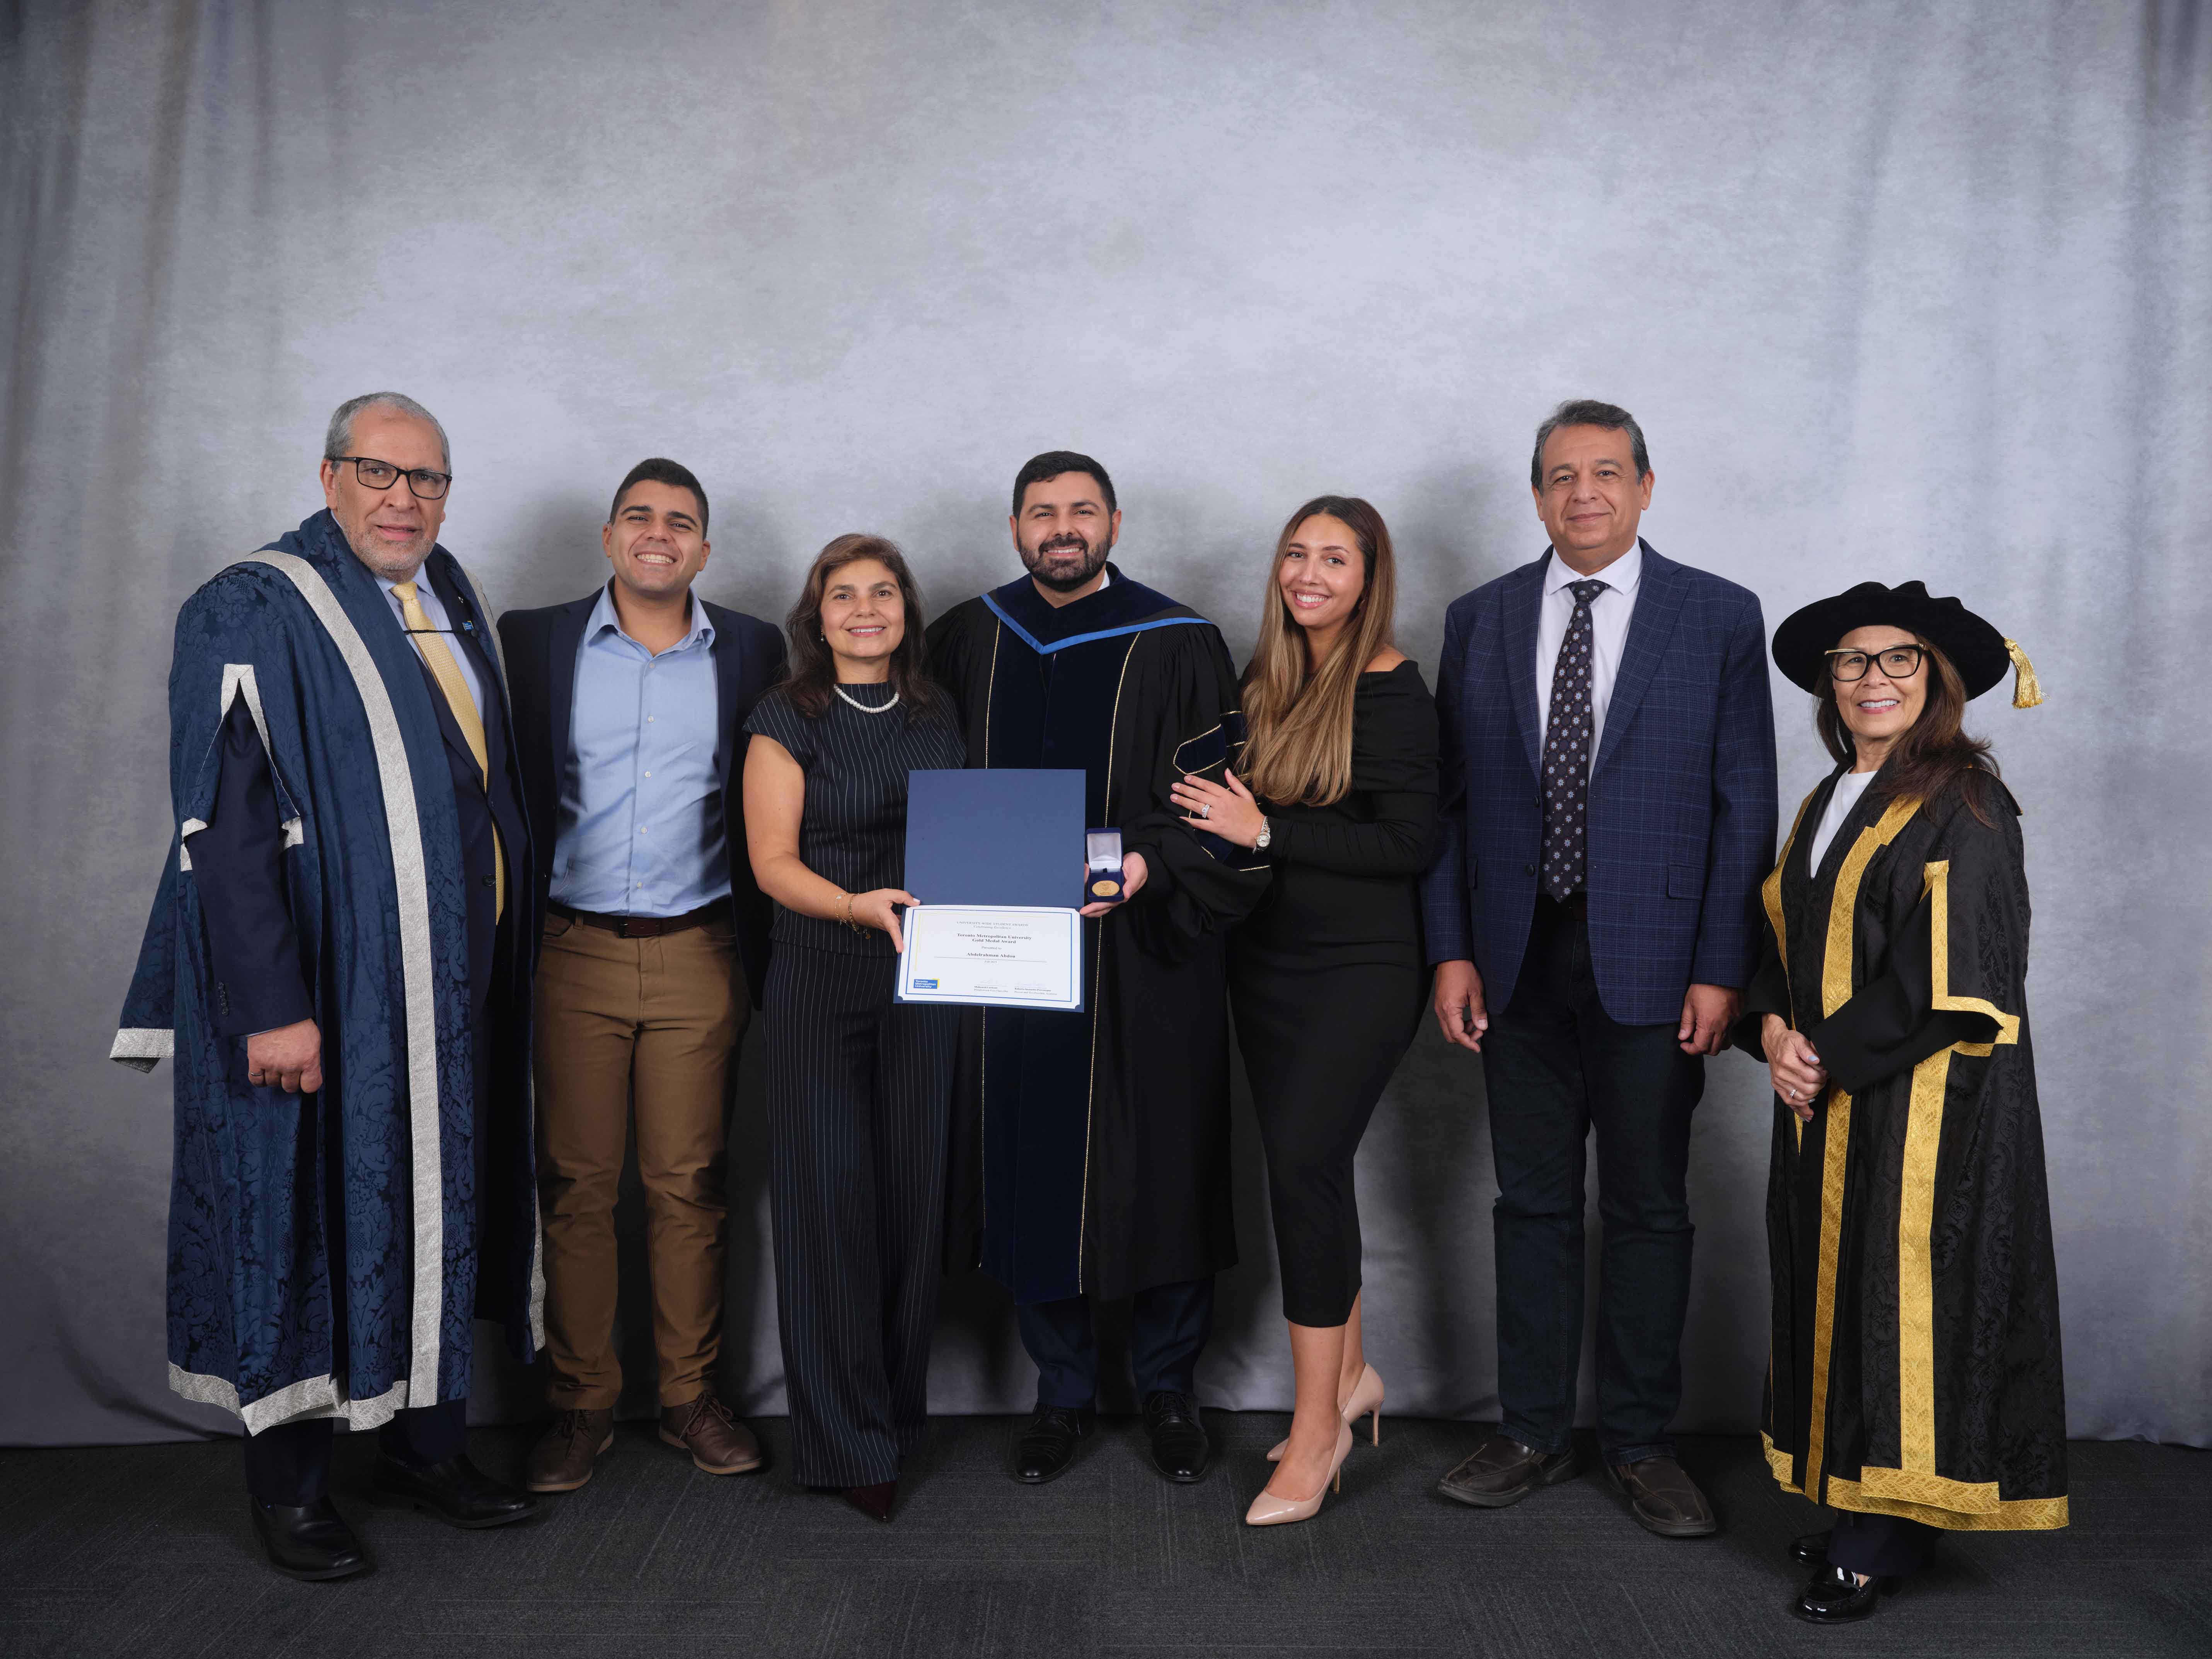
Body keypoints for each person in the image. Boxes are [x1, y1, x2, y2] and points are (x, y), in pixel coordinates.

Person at [112, 392, 545, 1580]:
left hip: (447, 990)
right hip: (325, 991)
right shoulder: (252, 603)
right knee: (298, 1211)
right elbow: (223, 825)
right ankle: (293, 1490)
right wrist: (273, 1006)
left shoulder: (445, 591)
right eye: (379, 472)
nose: (404, 499)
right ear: (328, 472)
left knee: (432, 1211)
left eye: (428, 478)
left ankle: (425, 1444)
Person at [1422, 400, 1777, 1536]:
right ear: (1535, 497)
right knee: (1528, 1202)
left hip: (1660, 962)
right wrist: (1453, 951)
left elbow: (1744, 802)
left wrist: (1723, 964)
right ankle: (1530, 1430)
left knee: (1648, 1209)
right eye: (1562, 476)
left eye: (1607, 472)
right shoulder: (1479, 620)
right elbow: (1449, 805)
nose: (1584, 493)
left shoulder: (1717, 615)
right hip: (1516, 958)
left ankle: (1637, 1439)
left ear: (1645, 486)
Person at [927, 452, 1270, 1487]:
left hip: (1145, 951)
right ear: (1015, 524)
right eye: (1043, 512)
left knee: (1162, 1161)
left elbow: (1218, 810)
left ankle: (1169, 1389)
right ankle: (1062, 1393)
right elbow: (925, 790)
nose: (1062, 527)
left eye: (1082, 510)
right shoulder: (966, 634)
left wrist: (1149, 868)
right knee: (1030, 1160)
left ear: (1115, 521)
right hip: (1012, 956)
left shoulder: (1179, 641)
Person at [1738, 582, 2064, 1624]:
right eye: (1851, 661)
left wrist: (1822, 1051)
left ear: (1937, 680)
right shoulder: (1827, 796)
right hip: (1827, 1089)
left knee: (1901, 1305)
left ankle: (1880, 1537)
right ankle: (1861, 1509)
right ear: (1829, 683)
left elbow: (1955, 976)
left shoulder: (1965, 798)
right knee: (1840, 1295)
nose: (1872, 678)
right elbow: (1779, 938)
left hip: (1930, 1103)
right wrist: (1772, 1034)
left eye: (1898, 660)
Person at [496, 459, 785, 1493]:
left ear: (705, 549)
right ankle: (578, 1405)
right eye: (639, 516)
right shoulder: (532, 640)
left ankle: (688, 1398)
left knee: (688, 1187)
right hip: (568, 951)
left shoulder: (752, 647)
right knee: (573, 1187)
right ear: (610, 536)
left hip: (701, 953)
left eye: (681, 522)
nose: (658, 533)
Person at [1170, 496, 1438, 1527]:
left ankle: (1318, 1429)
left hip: (1359, 971)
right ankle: (1355, 1374)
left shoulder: (1393, 687)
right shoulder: (1265, 679)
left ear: (1370, 577)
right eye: (1296, 553)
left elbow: (1411, 844)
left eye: (1336, 558)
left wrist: (1266, 829)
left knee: (1302, 1171)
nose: (1311, 573)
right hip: (1265, 966)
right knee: (1311, 1175)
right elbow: (1221, 819)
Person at [742, 535, 966, 1523]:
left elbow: (972, 839)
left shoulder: (936, 712)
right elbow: (772, 865)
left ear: (906, 611)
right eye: (845, 594)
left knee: (911, 1201)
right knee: (827, 1208)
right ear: (817, 614)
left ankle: (892, 1418)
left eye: (883, 592)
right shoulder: (784, 716)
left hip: (927, 980)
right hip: (821, 979)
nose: (865, 608)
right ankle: (842, 1442)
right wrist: (855, 908)